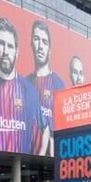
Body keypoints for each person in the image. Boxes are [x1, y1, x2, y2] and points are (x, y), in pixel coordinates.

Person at [0, 17, 42, 153]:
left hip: (24, 165)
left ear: (17, 52)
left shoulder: (29, 90)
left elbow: (37, 134)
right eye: (1, 43)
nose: (5, 52)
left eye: (10, 46)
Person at [27, 20, 64, 156]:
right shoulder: (24, 83)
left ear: (50, 50)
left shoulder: (59, 84)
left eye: (44, 41)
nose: (40, 46)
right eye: (37, 39)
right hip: (26, 152)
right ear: (31, 44)